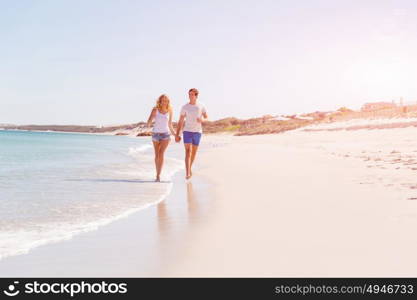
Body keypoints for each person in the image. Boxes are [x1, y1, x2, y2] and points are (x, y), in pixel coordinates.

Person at [175, 88, 208, 179]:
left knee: (193, 153)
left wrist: (202, 120)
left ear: (196, 96)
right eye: (189, 94)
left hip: (197, 132)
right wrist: (177, 134)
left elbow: (206, 117)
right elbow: (181, 121)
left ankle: (189, 168)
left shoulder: (201, 106)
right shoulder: (185, 107)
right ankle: (188, 172)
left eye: (192, 94)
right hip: (187, 131)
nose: (190, 96)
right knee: (188, 151)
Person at [146, 94, 176, 182]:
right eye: (163, 100)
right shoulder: (155, 110)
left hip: (166, 135)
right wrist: (149, 121)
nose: (164, 102)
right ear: (160, 101)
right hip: (155, 134)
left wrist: (175, 134)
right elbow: (149, 120)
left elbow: (170, 125)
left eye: (166, 100)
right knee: (157, 155)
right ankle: (157, 173)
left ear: (168, 102)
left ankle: (158, 175)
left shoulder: (170, 111)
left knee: (161, 153)